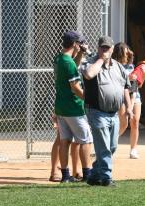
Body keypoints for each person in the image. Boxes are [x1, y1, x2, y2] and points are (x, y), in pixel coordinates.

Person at [81, 36, 130, 186]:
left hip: (113, 113)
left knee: (112, 147)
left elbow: (125, 88)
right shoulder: (90, 62)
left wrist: (128, 108)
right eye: (102, 47)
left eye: (107, 48)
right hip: (97, 111)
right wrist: (101, 60)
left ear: (113, 49)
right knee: (103, 148)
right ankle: (106, 178)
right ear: (98, 48)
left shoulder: (118, 66)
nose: (105, 50)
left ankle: (94, 175)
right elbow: (89, 74)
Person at [53, 30, 93, 183]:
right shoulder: (68, 63)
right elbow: (75, 87)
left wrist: (80, 54)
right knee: (85, 140)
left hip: (61, 107)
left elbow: (72, 66)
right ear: (75, 44)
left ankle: (65, 175)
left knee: (65, 140)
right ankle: (87, 173)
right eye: (80, 43)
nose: (81, 45)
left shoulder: (59, 58)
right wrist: (89, 100)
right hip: (73, 108)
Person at [113, 43, 145, 159]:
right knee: (123, 123)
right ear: (120, 52)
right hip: (121, 95)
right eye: (125, 50)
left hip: (134, 94)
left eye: (128, 50)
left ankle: (133, 149)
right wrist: (128, 78)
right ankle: (111, 144)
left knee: (135, 121)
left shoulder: (131, 65)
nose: (128, 52)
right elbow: (117, 81)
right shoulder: (114, 65)